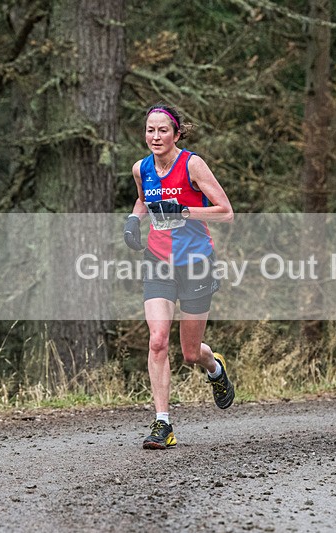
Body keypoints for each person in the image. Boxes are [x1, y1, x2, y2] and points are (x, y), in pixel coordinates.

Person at [123, 103, 235, 450]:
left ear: (176, 134)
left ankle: (214, 367)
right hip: (158, 261)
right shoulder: (141, 168)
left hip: (196, 262)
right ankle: (163, 423)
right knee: (157, 339)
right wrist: (133, 220)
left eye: (163, 130)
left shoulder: (192, 165)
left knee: (190, 353)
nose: (156, 137)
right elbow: (144, 201)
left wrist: (184, 212)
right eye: (150, 130)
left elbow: (225, 212)